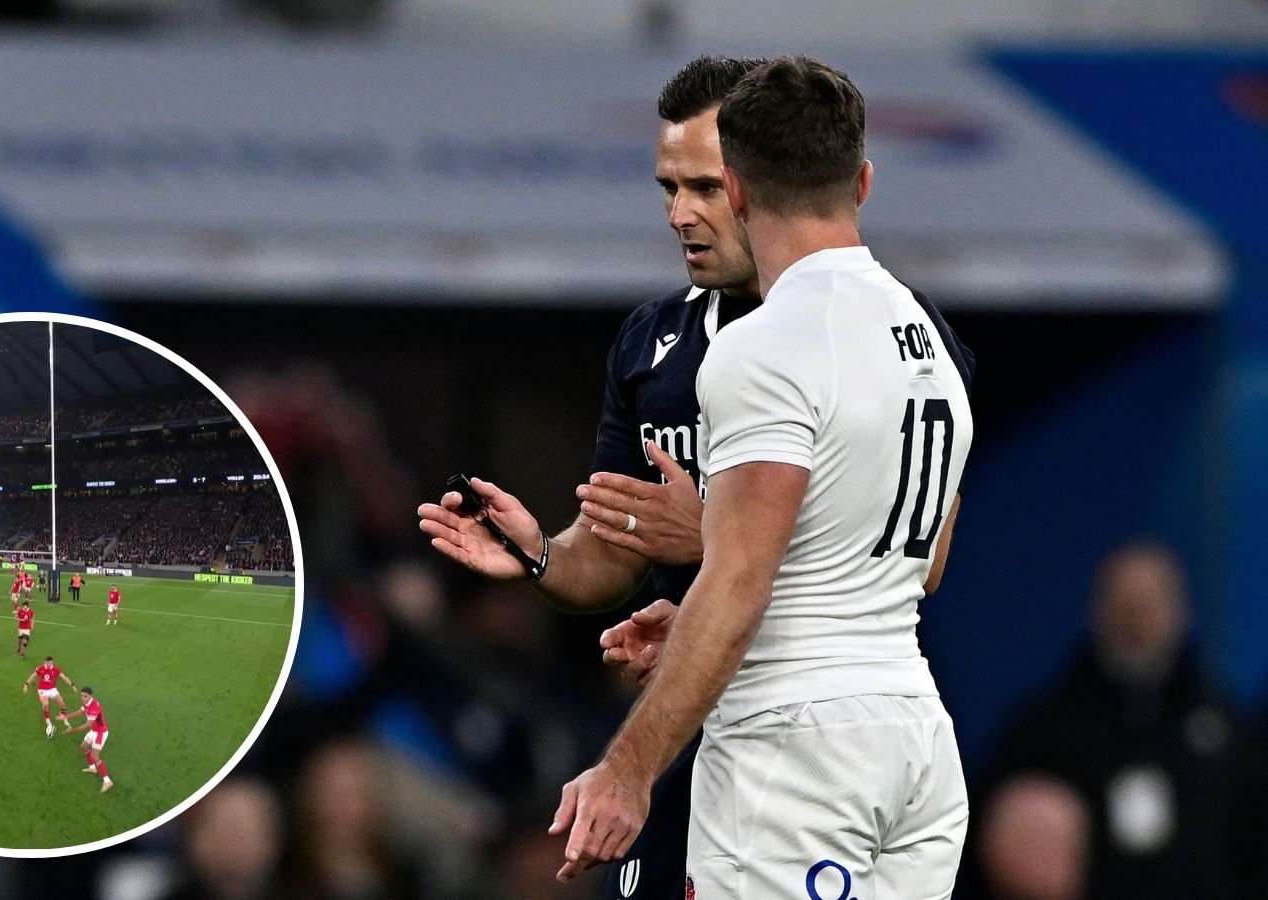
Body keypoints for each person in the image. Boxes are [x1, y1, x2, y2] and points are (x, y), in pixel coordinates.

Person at [550, 56, 975, 895]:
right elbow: (903, 567)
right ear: (862, 180)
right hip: (916, 740)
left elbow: (738, 583)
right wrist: (693, 625)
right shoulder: (928, 337)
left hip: (796, 747)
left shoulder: (766, 345)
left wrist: (627, 770)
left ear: (739, 192)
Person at [416, 55, 764, 900]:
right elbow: (612, 555)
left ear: (769, 181)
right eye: (667, 189)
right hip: (682, 730)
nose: (678, 214)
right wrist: (540, 554)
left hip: (817, 723)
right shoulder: (651, 344)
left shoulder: (859, 333)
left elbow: (918, 559)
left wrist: (711, 537)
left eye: (704, 188)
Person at [981, 541, 1268, 899]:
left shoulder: (1229, 732)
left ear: (1181, 612)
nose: (1137, 622)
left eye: (1149, 606)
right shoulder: (1042, 732)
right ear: (1095, 610)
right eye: (1125, 605)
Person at [57, 687, 113, 792]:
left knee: (95, 755)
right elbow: (79, 712)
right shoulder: (87, 703)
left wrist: (71, 731)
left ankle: (107, 781)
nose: (82, 698)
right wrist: (65, 717)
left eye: (85, 696)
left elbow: (87, 725)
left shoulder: (94, 707)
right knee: (84, 746)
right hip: (94, 731)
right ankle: (92, 767)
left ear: (90, 696)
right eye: (81, 695)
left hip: (100, 733)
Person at [24, 655, 76, 738]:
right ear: (45, 662)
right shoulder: (40, 668)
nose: (48, 664)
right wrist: (26, 684)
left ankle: (65, 719)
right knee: (45, 705)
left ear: (52, 662)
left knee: (62, 704)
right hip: (42, 690)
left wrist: (72, 685)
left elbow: (64, 677)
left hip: (52, 689)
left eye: (50, 663)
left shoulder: (55, 669)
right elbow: (33, 676)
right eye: (47, 663)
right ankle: (48, 722)